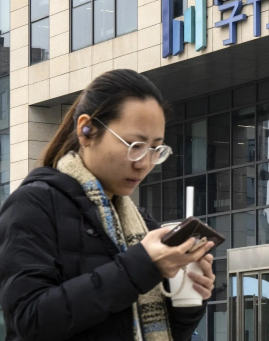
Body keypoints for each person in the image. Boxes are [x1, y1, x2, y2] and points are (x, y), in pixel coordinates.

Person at [0, 69, 215, 341]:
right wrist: (140, 267)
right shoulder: (34, 204)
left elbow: (166, 332)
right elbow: (29, 320)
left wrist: (188, 297)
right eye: (134, 145)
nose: (144, 164)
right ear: (86, 131)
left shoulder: (142, 223)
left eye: (155, 149)